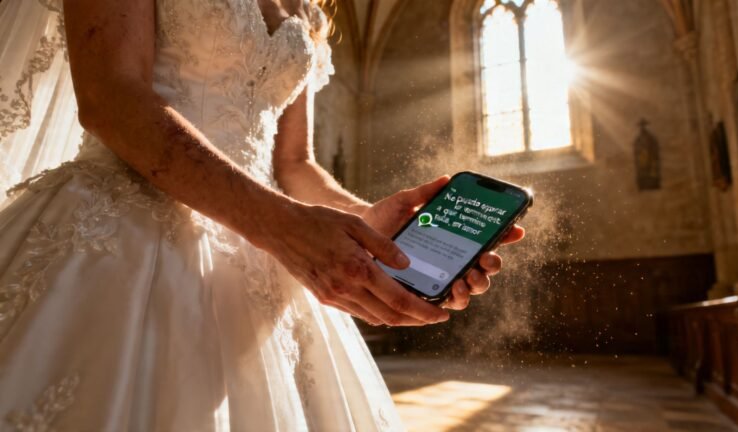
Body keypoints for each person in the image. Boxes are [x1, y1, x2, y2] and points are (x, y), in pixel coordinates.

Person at [0, 0, 525, 429]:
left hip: (267, 253)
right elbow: (110, 95)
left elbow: (292, 164)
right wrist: (282, 227)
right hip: (125, 235)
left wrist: (365, 221)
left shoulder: (307, 6)